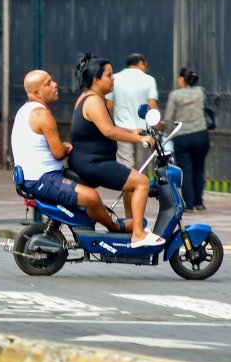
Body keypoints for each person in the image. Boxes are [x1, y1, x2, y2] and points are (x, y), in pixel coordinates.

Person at [12, 69, 133, 232]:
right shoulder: (42, 115)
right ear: (36, 92)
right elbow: (59, 153)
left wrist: (61, 145)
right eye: (48, 83)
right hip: (44, 179)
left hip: (32, 177)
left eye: (52, 80)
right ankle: (115, 226)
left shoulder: (24, 111)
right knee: (91, 197)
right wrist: (65, 148)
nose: (55, 85)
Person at [70, 54, 162, 248]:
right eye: (109, 75)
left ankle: (133, 225)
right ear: (96, 79)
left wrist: (132, 130)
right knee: (142, 183)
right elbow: (109, 131)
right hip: (93, 164)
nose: (114, 79)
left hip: (88, 161)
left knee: (132, 183)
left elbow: (103, 127)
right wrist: (140, 138)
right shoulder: (94, 101)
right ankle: (138, 234)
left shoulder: (88, 97)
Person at [164, 66, 210, 211]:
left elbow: (169, 117)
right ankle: (199, 202)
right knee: (199, 168)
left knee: (186, 169)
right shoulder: (200, 91)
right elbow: (205, 108)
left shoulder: (175, 95)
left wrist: (168, 133)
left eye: (178, 77)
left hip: (182, 137)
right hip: (201, 134)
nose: (177, 80)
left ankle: (188, 204)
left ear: (183, 79)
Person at [108, 53, 159, 171]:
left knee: (126, 171)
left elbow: (108, 106)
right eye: (146, 66)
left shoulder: (115, 79)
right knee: (142, 170)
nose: (146, 69)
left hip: (122, 131)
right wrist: (158, 125)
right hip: (144, 131)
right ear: (141, 63)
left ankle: (128, 189)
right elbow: (152, 107)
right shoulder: (149, 80)